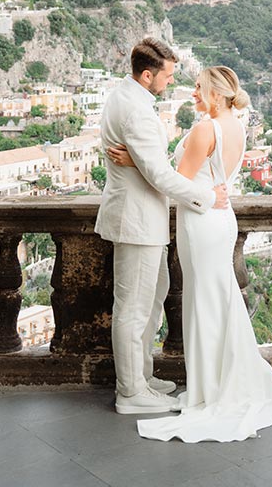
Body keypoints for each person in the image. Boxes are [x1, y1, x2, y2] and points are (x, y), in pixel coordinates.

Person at [107, 65, 272, 443]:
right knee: (219, 301)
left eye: (198, 87)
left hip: (201, 219)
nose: (192, 93)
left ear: (217, 92)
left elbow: (176, 181)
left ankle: (210, 390)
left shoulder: (204, 128)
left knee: (202, 304)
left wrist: (136, 162)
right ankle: (221, 381)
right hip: (222, 219)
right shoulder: (237, 125)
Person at [95, 37, 229, 416]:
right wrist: (205, 196)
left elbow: (149, 164)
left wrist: (139, 164)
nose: (172, 81)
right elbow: (158, 173)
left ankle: (142, 377)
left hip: (142, 218)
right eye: (168, 75)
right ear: (148, 74)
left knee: (153, 297)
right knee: (133, 309)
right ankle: (130, 391)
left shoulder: (127, 98)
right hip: (136, 221)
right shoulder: (136, 110)